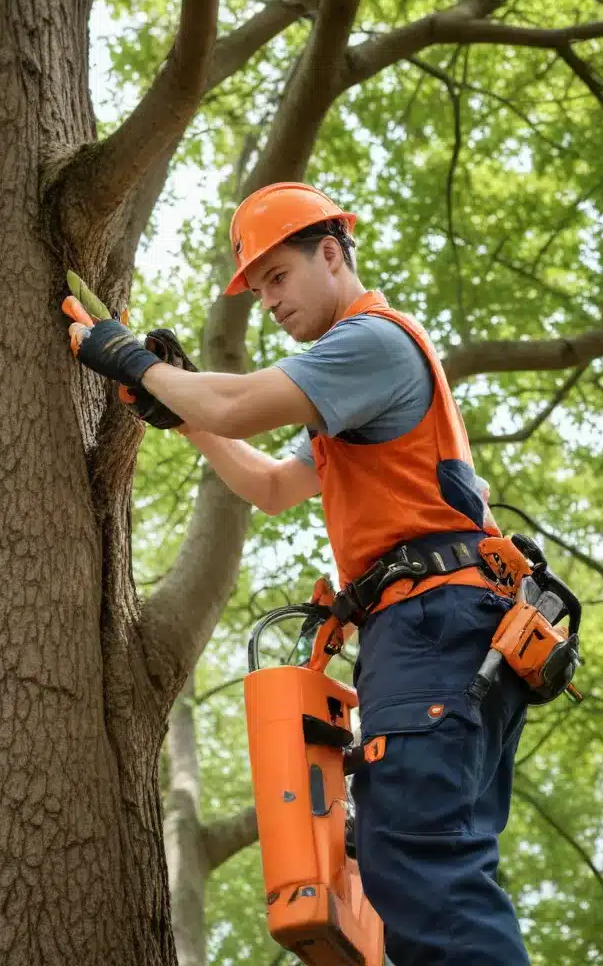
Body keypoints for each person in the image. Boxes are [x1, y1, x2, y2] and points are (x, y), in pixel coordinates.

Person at [66, 182, 530, 965]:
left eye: (277, 276)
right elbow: (273, 487)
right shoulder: (352, 392)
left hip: (433, 628)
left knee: (421, 863)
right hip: (450, 633)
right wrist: (180, 412)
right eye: (257, 288)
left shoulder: (370, 344)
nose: (269, 301)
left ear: (330, 253)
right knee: (416, 859)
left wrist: (132, 362)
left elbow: (239, 404)